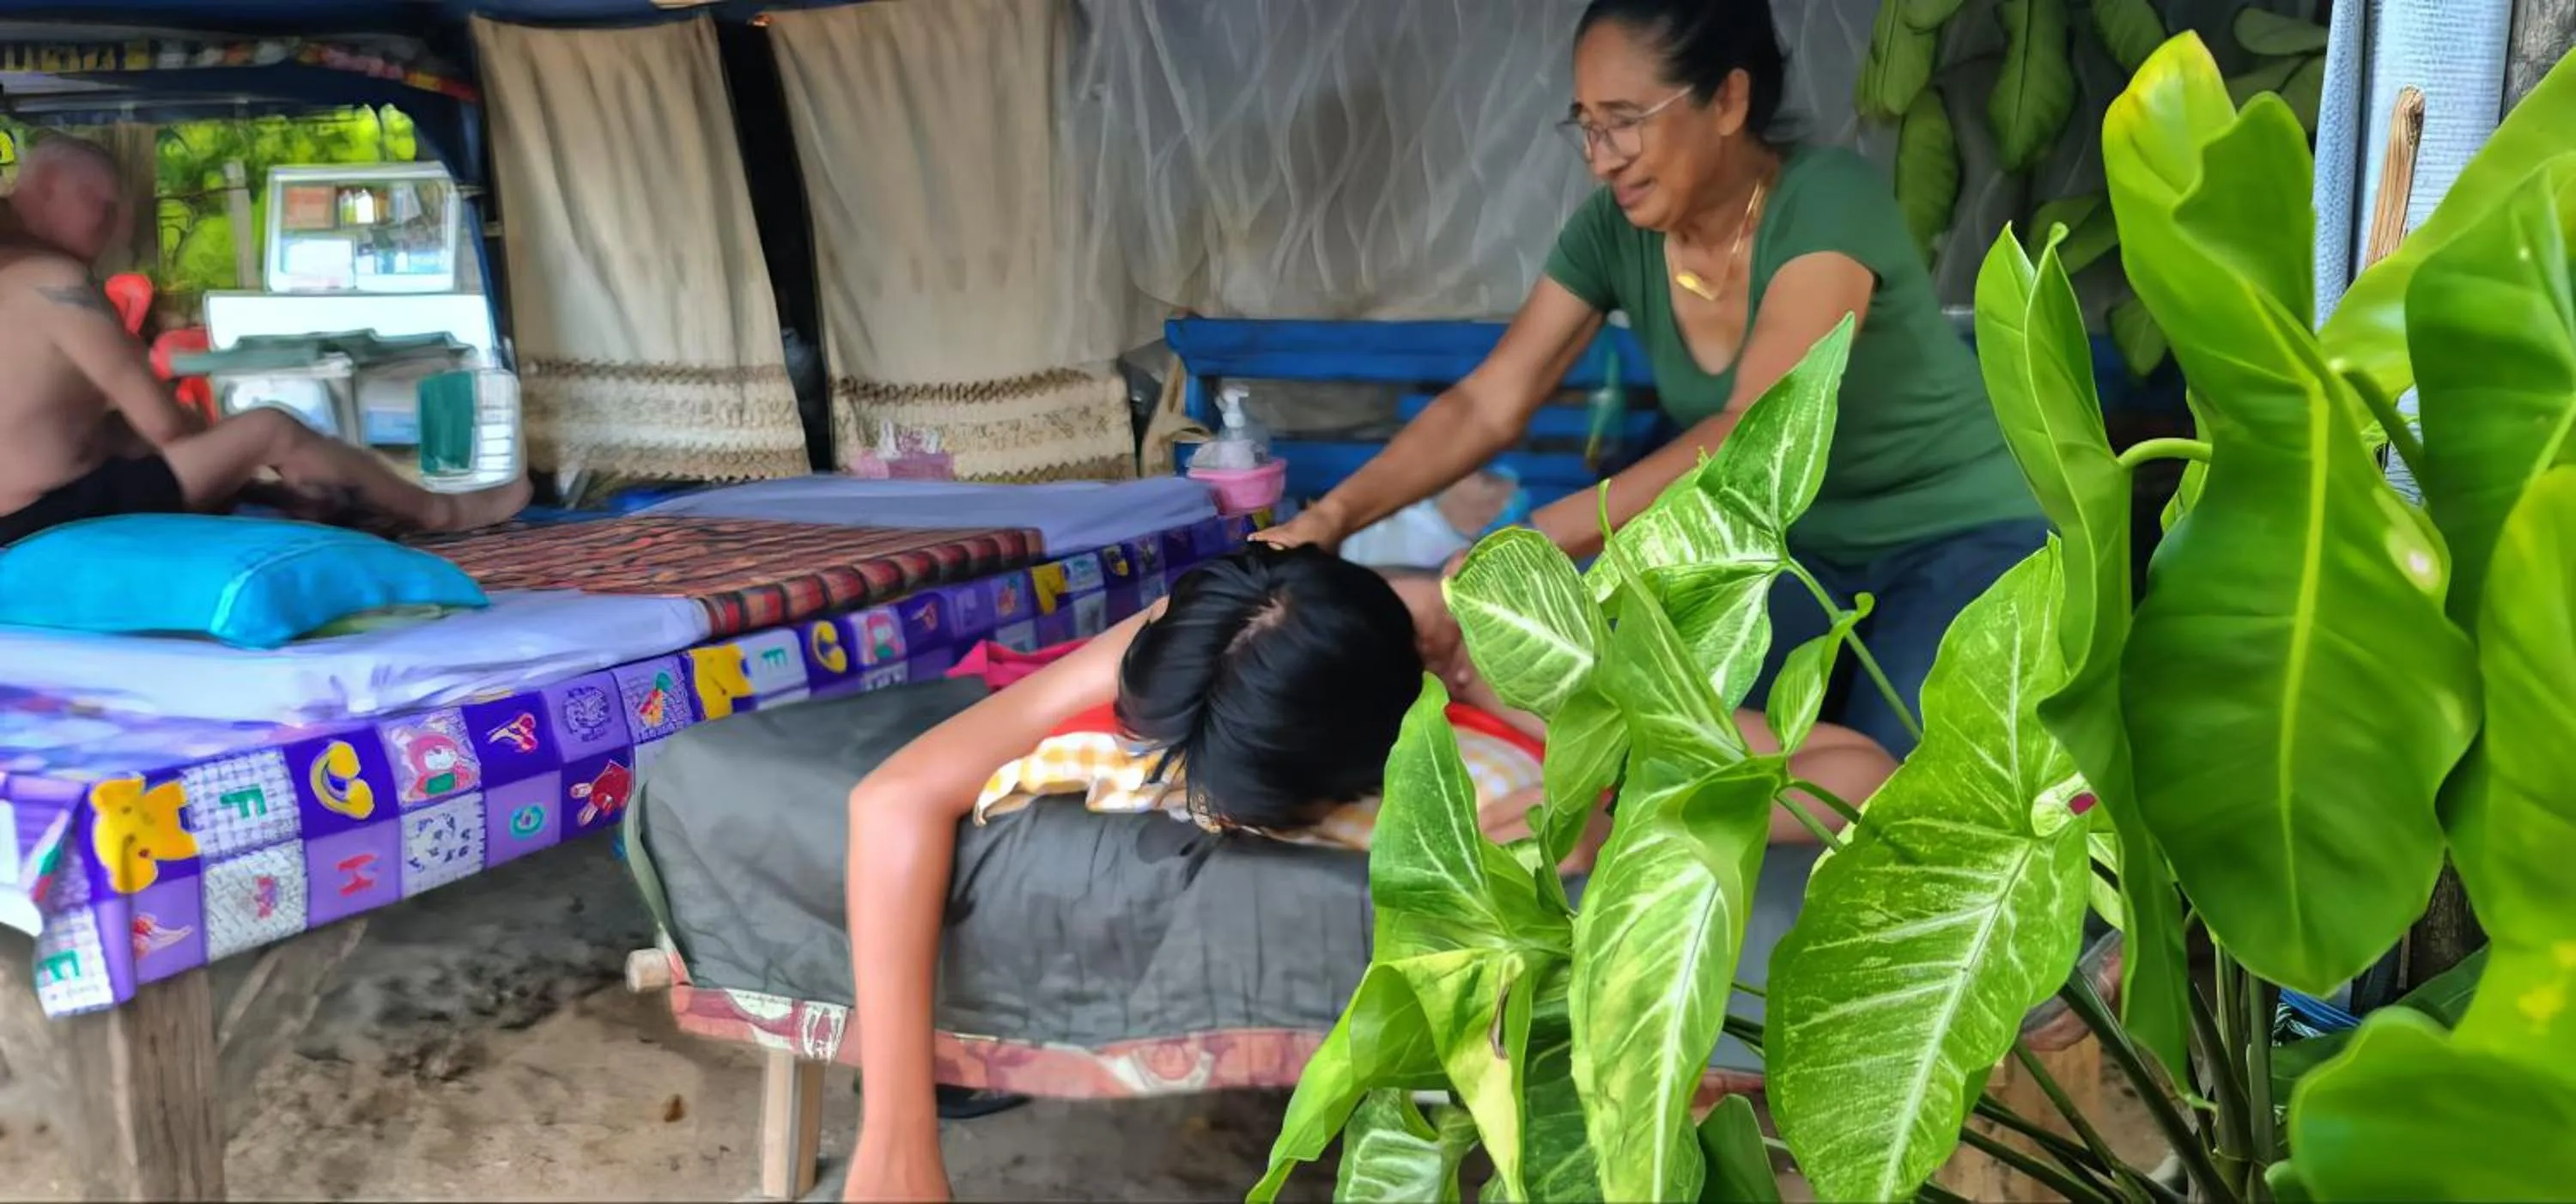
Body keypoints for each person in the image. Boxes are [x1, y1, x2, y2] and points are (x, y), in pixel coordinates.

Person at [842, 543, 1895, 1201]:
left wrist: (1615, 814)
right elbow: (894, 798)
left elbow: (1856, 768)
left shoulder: (1530, 675)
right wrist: (896, 1143)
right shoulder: (1196, 636)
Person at [1259, 0, 2046, 757]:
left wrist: (1532, 544)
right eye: (1588, 127)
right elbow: (1487, 401)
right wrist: (1332, 518)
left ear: (1729, 98)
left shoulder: (1829, 202)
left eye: (1625, 120)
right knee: (1685, 738)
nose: (1602, 158)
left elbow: (1752, 428)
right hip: (1786, 552)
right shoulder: (1612, 235)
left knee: (1898, 771)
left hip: (1958, 533)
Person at [0, 135, 527, 547]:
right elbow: (166, 427)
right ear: (47, 191)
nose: (111, 226)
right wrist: (235, 462)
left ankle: (305, 497)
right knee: (270, 428)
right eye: (102, 206)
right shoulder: (54, 282)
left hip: (33, 509)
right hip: (43, 520)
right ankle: (447, 513)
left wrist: (250, 483)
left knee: (125, 437)